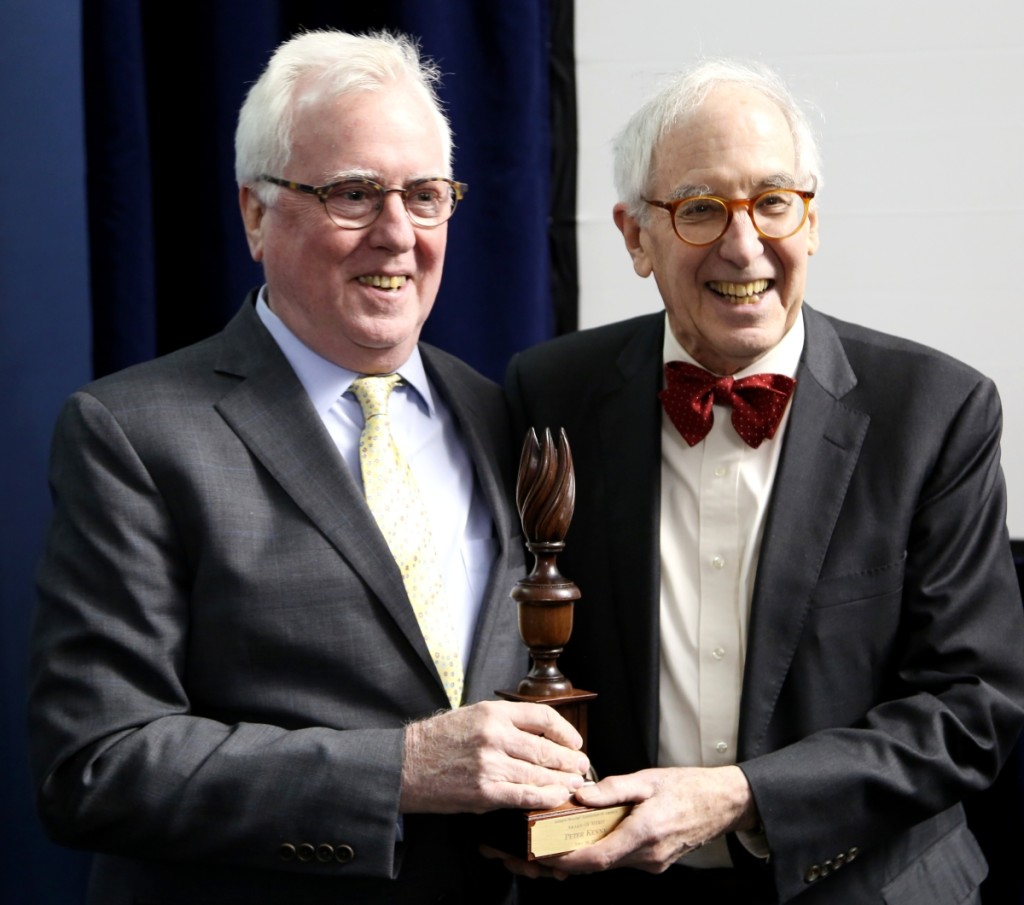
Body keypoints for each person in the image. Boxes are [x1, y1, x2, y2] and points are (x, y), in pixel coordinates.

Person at [28, 29, 590, 905]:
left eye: (425, 195)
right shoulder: (132, 434)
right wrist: (399, 769)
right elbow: (97, 762)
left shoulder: (501, 414)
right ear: (256, 213)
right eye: (354, 195)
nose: (398, 234)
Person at [504, 60, 1024, 903]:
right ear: (635, 236)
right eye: (701, 209)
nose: (744, 245)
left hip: (866, 886)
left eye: (774, 201)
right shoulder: (550, 392)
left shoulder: (938, 410)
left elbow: (969, 709)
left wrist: (738, 796)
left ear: (812, 220)